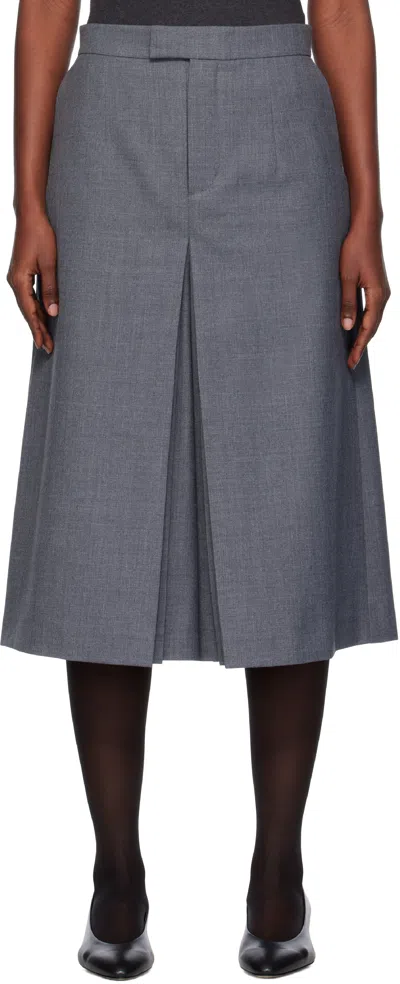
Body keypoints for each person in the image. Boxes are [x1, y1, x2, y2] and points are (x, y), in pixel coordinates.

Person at [1, 0, 397, 978]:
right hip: (111, 124)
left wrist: (368, 212)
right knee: (101, 492)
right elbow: (46, 7)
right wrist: (28, 205)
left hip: (277, 118)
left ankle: (278, 872)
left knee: (287, 491)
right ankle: (116, 873)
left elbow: (339, 7)